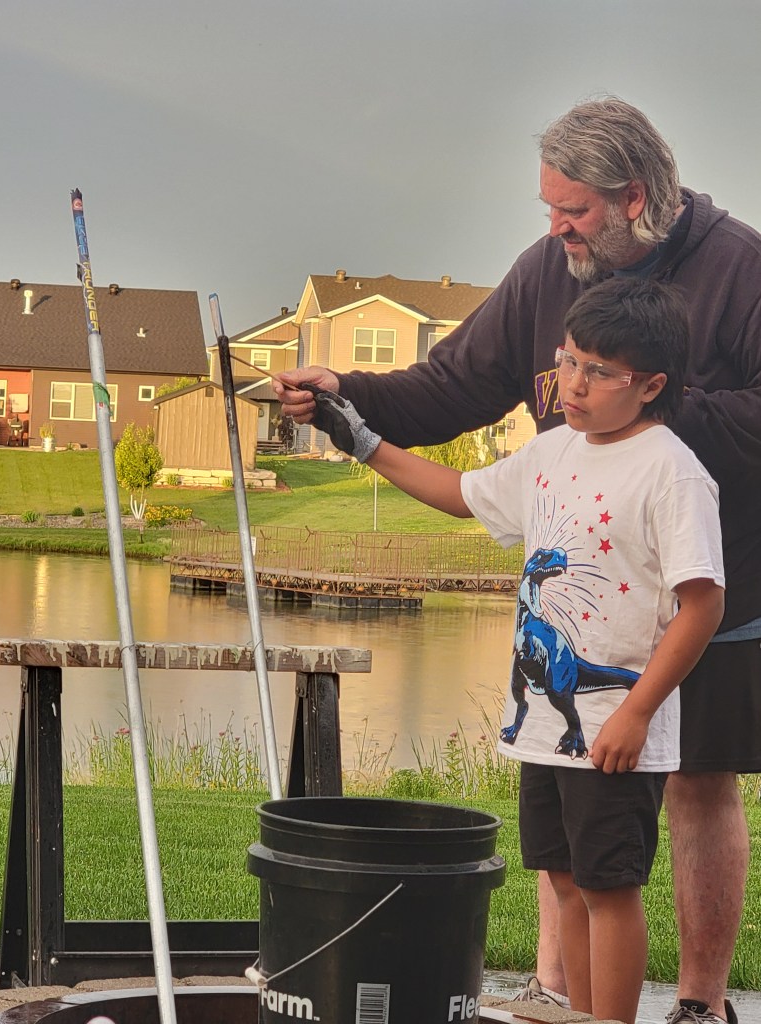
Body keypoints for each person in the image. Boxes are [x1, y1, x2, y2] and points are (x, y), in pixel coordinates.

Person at [274, 97, 761, 1024]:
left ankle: (701, 1003)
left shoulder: (742, 269)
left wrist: (654, 425)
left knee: (700, 779)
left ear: (636, 197)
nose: (556, 228)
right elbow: (455, 384)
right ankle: (558, 990)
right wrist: (354, 403)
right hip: (583, 603)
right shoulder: (550, 272)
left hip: (722, 573)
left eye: (573, 211)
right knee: (563, 814)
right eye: (549, 208)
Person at [304, 276, 725, 1024]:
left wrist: (636, 712)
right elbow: (461, 491)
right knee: (565, 882)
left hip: (616, 734)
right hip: (547, 729)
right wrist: (361, 440)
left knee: (609, 889)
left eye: (599, 372)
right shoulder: (553, 450)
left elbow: (703, 605)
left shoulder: (671, 470)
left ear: (652, 385)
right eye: (568, 362)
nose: (574, 384)